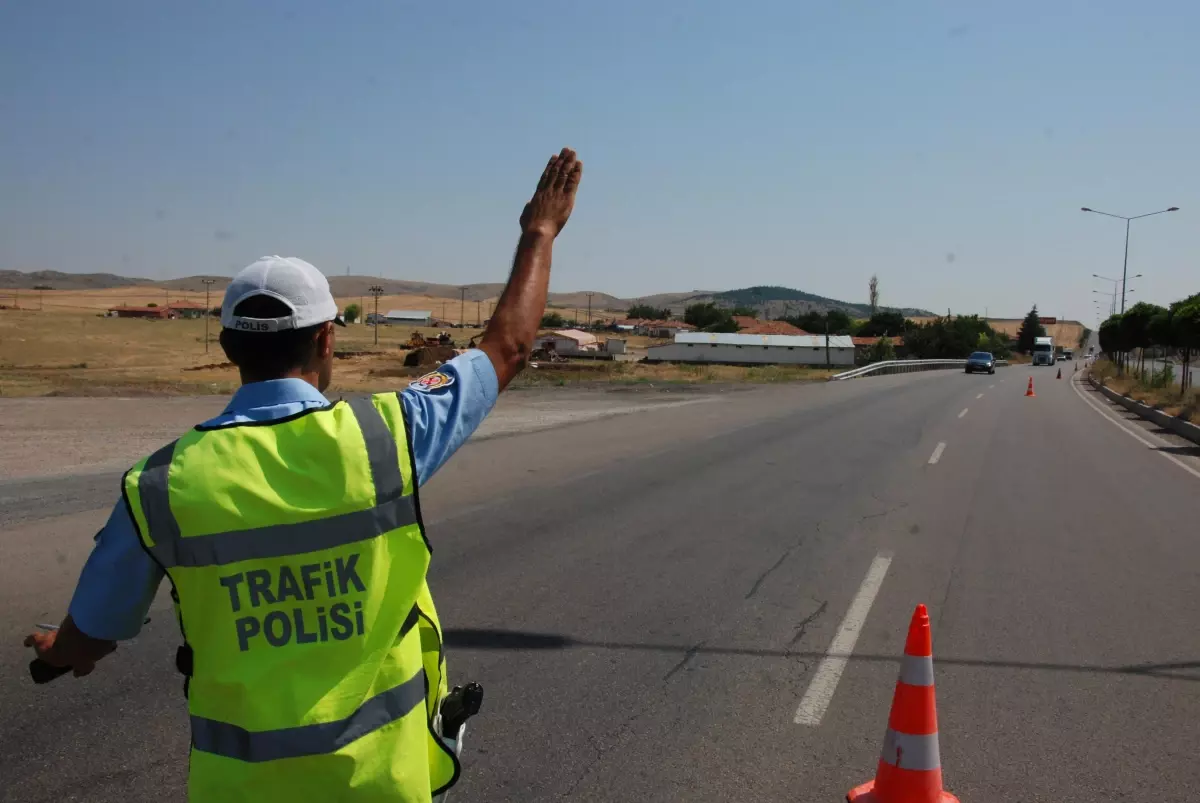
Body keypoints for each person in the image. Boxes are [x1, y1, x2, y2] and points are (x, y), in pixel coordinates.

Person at [24, 148, 583, 802]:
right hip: (383, 784)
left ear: (229, 346)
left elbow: (91, 633)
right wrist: (539, 233)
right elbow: (507, 346)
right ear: (326, 341)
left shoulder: (160, 486)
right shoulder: (385, 438)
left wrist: (61, 652)